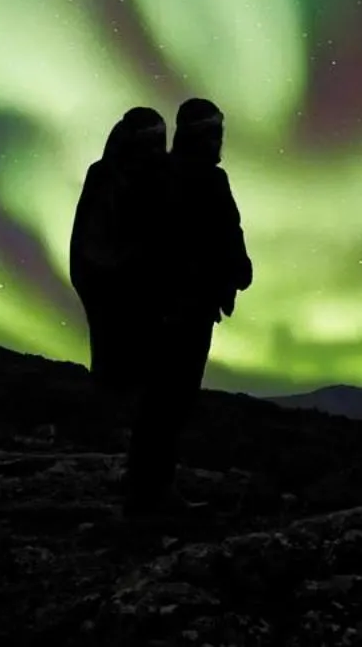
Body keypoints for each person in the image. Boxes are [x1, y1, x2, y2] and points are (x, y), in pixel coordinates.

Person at [121, 95, 253, 512]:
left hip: (154, 311)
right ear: (203, 135)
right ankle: (153, 496)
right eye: (216, 135)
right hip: (188, 311)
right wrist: (236, 273)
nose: (220, 144)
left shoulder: (154, 175)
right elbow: (227, 237)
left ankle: (146, 492)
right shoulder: (210, 181)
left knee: (157, 404)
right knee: (171, 403)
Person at [67, 105, 168, 394]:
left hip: (126, 282)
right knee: (114, 361)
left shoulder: (151, 178)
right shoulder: (107, 177)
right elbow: (94, 238)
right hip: (110, 282)